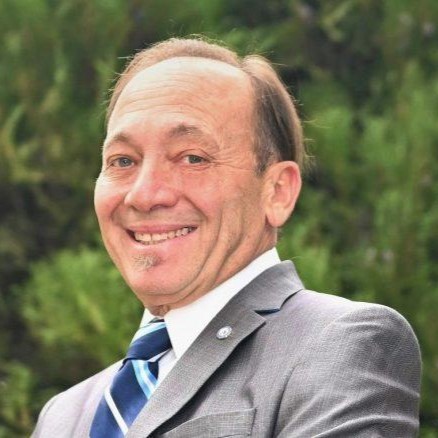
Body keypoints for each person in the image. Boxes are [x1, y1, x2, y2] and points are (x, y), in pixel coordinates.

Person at [32, 37, 421, 438]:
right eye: (123, 161)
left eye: (192, 158)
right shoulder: (64, 416)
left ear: (277, 192)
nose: (144, 195)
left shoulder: (338, 344)